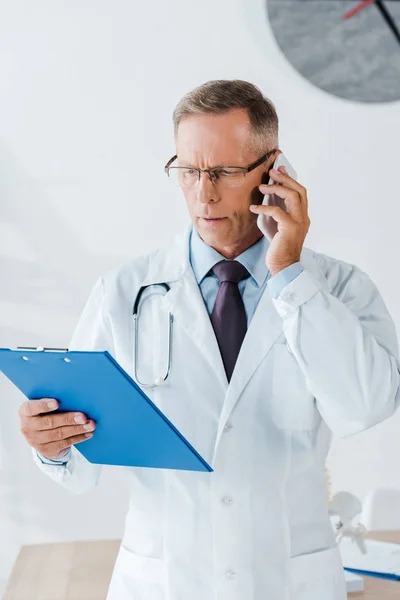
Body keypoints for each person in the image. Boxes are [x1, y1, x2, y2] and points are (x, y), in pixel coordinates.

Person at [18, 80, 400, 600]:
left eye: (223, 171)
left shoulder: (336, 288)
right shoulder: (124, 292)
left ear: (274, 171)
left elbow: (364, 407)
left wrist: (289, 272)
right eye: (190, 171)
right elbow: (83, 468)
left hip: (287, 581)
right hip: (166, 581)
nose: (204, 193)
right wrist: (52, 446)